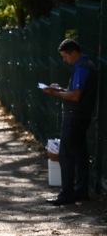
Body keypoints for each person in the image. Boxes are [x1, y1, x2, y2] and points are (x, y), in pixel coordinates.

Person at [42, 38, 98, 205]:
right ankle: (81, 191)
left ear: (74, 53)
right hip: (81, 116)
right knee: (80, 154)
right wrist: (61, 90)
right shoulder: (87, 65)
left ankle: (66, 194)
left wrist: (56, 93)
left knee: (66, 155)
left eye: (66, 56)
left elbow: (76, 95)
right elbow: (75, 92)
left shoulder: (81, 68)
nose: (65, 60)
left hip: (74, 117)